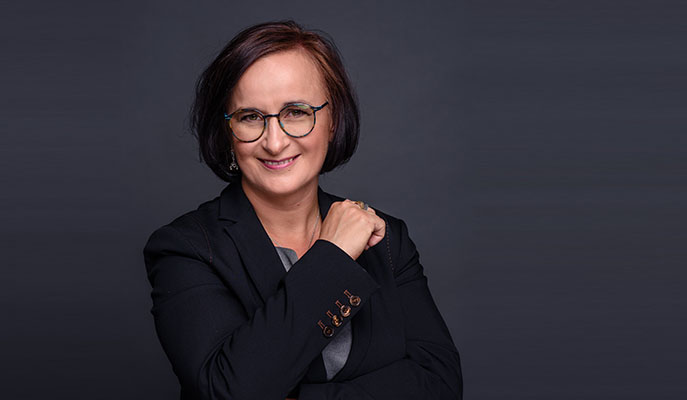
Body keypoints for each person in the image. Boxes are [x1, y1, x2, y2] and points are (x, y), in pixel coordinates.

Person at [143, 20, 462, 400]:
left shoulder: (386, 238)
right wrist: (333, 256)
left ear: (333, 120)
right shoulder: (186, 248)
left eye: (296, 112)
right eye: (250, 117)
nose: (275, 142)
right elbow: (229, 392)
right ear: (228, 132)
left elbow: (441, 384)